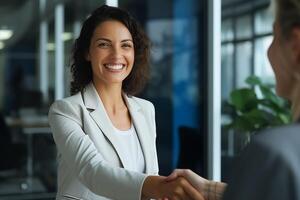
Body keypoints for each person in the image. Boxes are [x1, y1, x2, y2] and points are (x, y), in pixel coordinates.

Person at [48, 4, 203, 200]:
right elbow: (93, 171)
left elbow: (151, 177)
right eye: (104, 44)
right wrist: (159, 186)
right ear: (87, 52)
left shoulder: (146, 110)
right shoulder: (66, 111)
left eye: (125, 45)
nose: (116, 55)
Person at [166, 0, 300, 199]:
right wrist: (209, 190)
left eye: (274, 35)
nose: (269, 50)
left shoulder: (275, 154)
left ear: (295, 47)